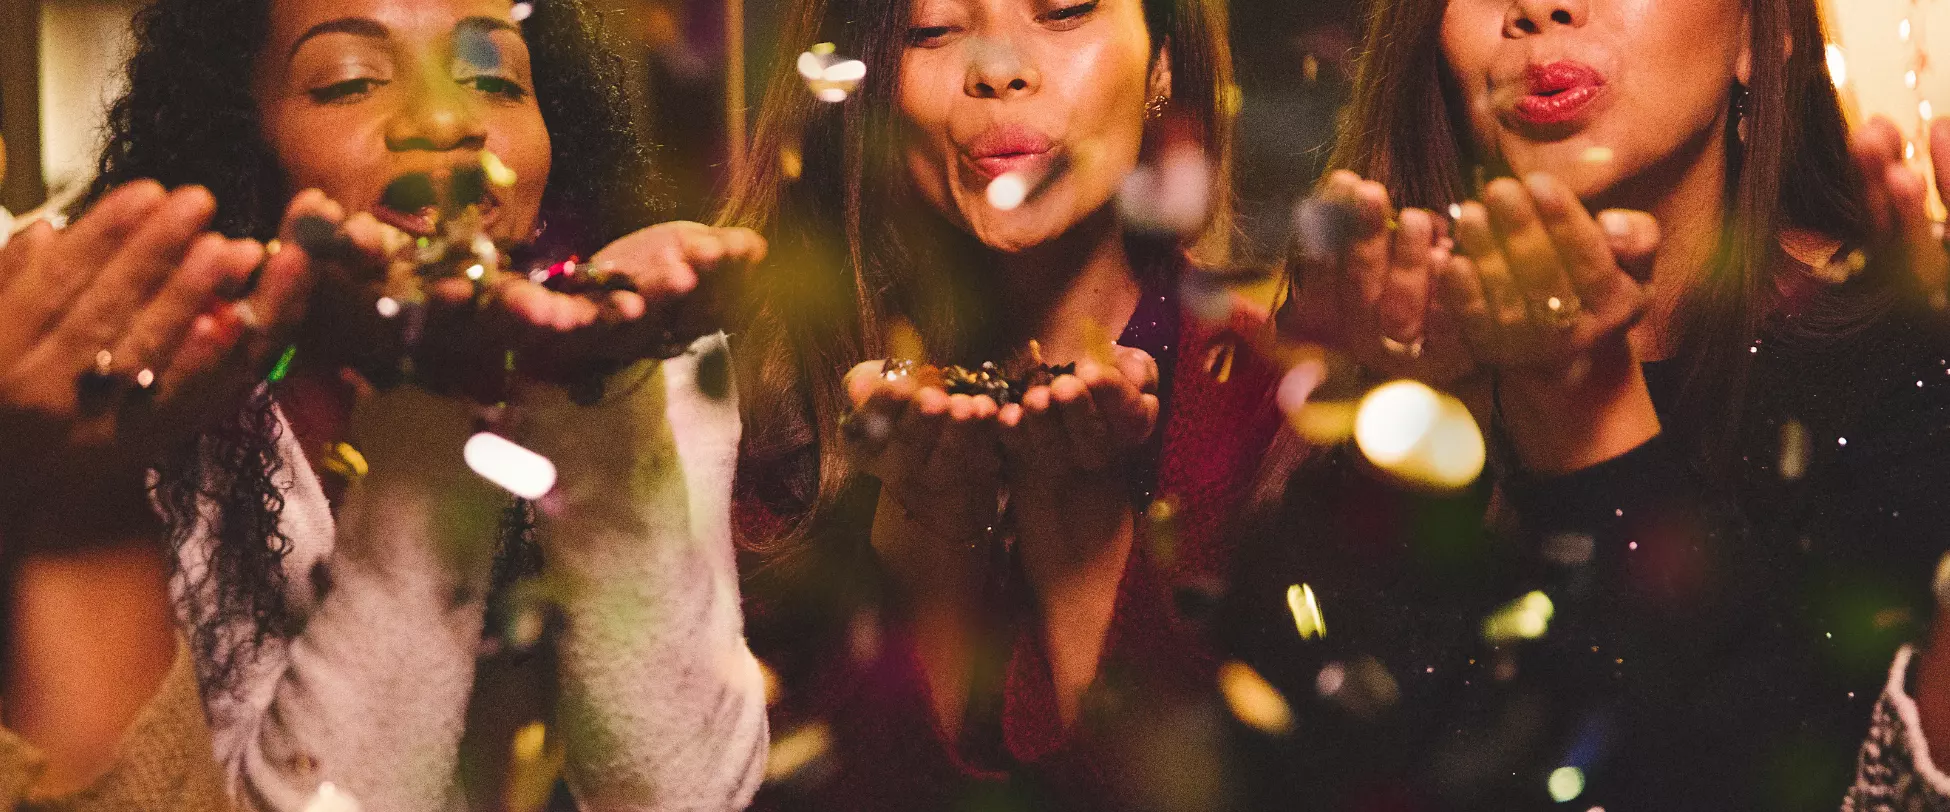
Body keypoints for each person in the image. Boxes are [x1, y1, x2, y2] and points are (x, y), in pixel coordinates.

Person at [1256, 0, 1950, 807]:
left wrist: (1587, 419)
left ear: (1770, 36)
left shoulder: (1901, 364)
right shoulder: (1393, 371)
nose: (1543, 7)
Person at [78, 0, 769, 808]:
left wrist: (595, 384)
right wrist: (434, 392)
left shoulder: (651, 352)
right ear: (244, 144)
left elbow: (680, 794)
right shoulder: (163, 406)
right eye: (349, 82)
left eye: (494, 79)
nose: (445, 119)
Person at [720, 0, 1280, 808]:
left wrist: (1078, 525)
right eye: (935, 29)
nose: (998, 69)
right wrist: (929, 529)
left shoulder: (1271, 392)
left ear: (1162, 62)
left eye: (1063, 10)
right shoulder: (763, 405)